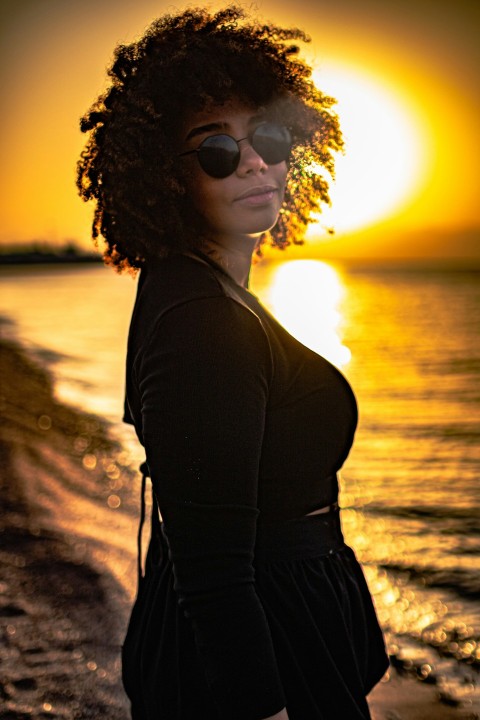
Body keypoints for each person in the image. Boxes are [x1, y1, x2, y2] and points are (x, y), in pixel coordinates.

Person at [77, 7, 389, 719]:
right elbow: (214, 572)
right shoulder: (202, 322)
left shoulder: (197, 288)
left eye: (269, 138)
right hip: (264, 656)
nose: (253, 162)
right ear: (165, 177)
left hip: (284, 632)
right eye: (216, 149)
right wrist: (265, 708)